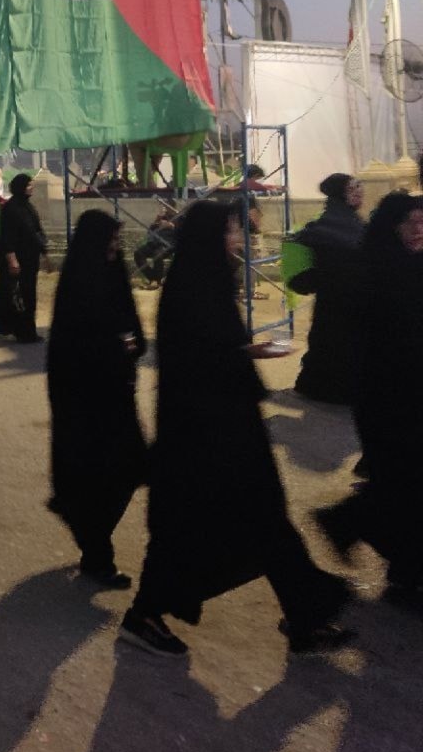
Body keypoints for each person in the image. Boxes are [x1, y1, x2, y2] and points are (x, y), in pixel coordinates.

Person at [119, 200, 352, 657]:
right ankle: (145, 612)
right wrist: (245, 354)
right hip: (203, 436)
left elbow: (215, 350)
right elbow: (196, 363)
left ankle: (306, 618)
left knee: (267, 521)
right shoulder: (190, 287)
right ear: (209, 236)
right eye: (230, 230)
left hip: (231, 427)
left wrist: (246, 352)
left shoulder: (209, 280)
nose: (238, 238)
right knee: (188, 530)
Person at [314, 193, 423, 609]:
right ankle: (352, 528)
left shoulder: (414, 266)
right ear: (392, 225)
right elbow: (364, 342)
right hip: (386, 397)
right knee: (405, 483)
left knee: (406, 485)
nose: (418, 230)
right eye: (410, 222)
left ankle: (398, 564)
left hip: (413, 394)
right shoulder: (374, 270)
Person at [46, 211, 148, 588]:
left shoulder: (113, 274)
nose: (114, 249)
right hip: (84, 400)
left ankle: (85, 527)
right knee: (96, 475)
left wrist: (132, 344)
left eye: (116, 243)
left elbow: (128, 318)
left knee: (130, 469)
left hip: (117, 392)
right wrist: (113, 348)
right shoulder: (77, 283)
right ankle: (96, 552)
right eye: (108, 242)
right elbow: (73, 348)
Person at [290, 173, 365, 404]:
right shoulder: (343, 226)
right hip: (343, 300)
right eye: (353, 188)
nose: (360, 191)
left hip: (333, 302)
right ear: (340, 194)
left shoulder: (328, 224)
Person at [0, 172, 49, 342]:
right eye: (28, 185)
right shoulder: (12, 208)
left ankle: (3, 320)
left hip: (29, 258)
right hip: (19, 259)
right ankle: (25, 332)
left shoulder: (26, 206)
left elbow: (35, 230)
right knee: (24, 296)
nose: (31, 187)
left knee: (14, 293)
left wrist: (43, 251)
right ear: (20, 187)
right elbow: (8, 236)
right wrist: (12, 259)